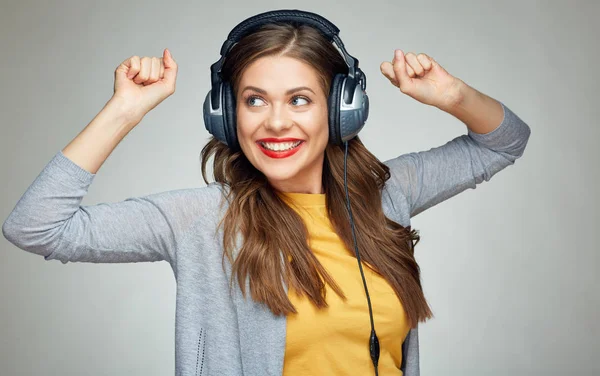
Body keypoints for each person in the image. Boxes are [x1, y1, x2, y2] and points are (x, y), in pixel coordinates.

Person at [2, 9, 531, 376]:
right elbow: (35, 226)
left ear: (343, 109)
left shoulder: (387, 196)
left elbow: (503, 143)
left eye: (300, 100)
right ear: (227, 115)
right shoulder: (202, 219)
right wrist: (124, 111)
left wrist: (452, 95)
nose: (275, 123)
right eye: (254, 101)